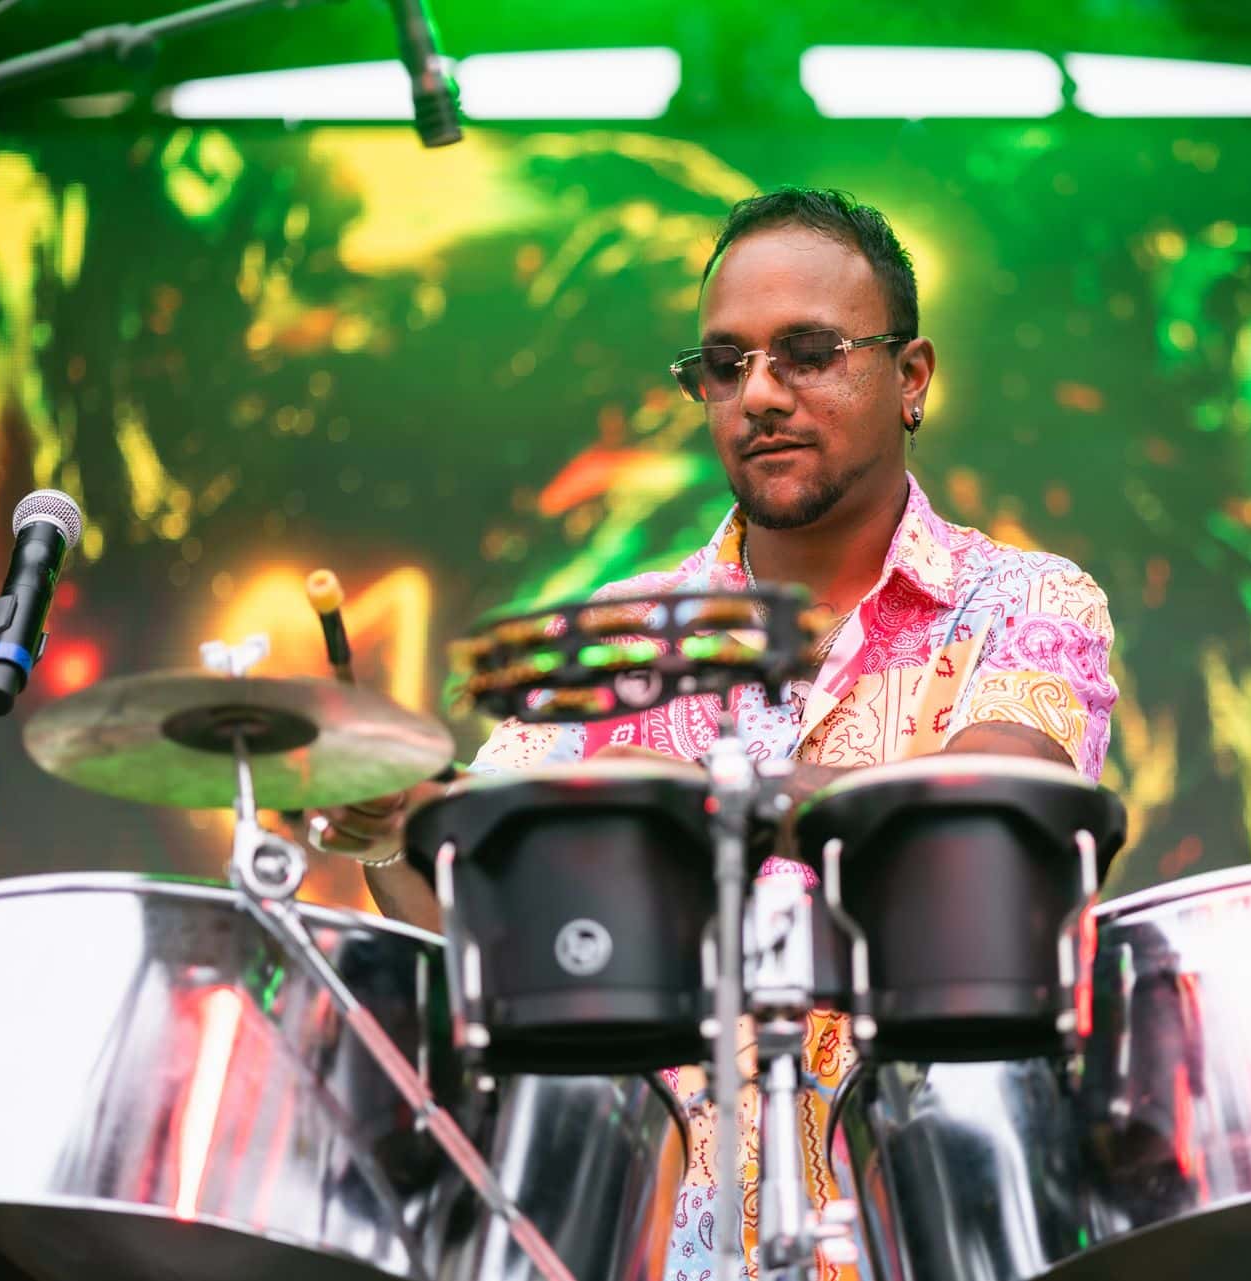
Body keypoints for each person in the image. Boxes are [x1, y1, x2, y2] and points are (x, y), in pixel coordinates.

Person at [323, 186, 1119, 1281]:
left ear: (913, 378)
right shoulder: (615, 636)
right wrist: (391, 818)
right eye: (725, 363)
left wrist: (701, 807)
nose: (760, 394)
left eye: (806, 352)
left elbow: (994, 810)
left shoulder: (1029, 599)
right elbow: (470, 896)